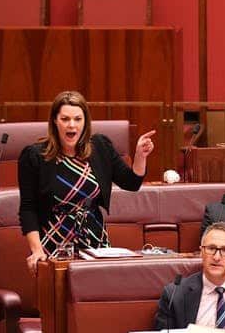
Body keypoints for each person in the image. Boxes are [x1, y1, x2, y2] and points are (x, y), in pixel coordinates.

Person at [18, 90, 156, 275]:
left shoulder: (100, 147)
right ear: (54, 121)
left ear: (85, 122)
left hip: (94, 239)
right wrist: (37, 251)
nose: (72, 125)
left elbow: (131, 183)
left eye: (78, 119)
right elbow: (28, 208)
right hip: (54, 241)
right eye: (65, 119)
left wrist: (140, 156)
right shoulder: (34, 156)